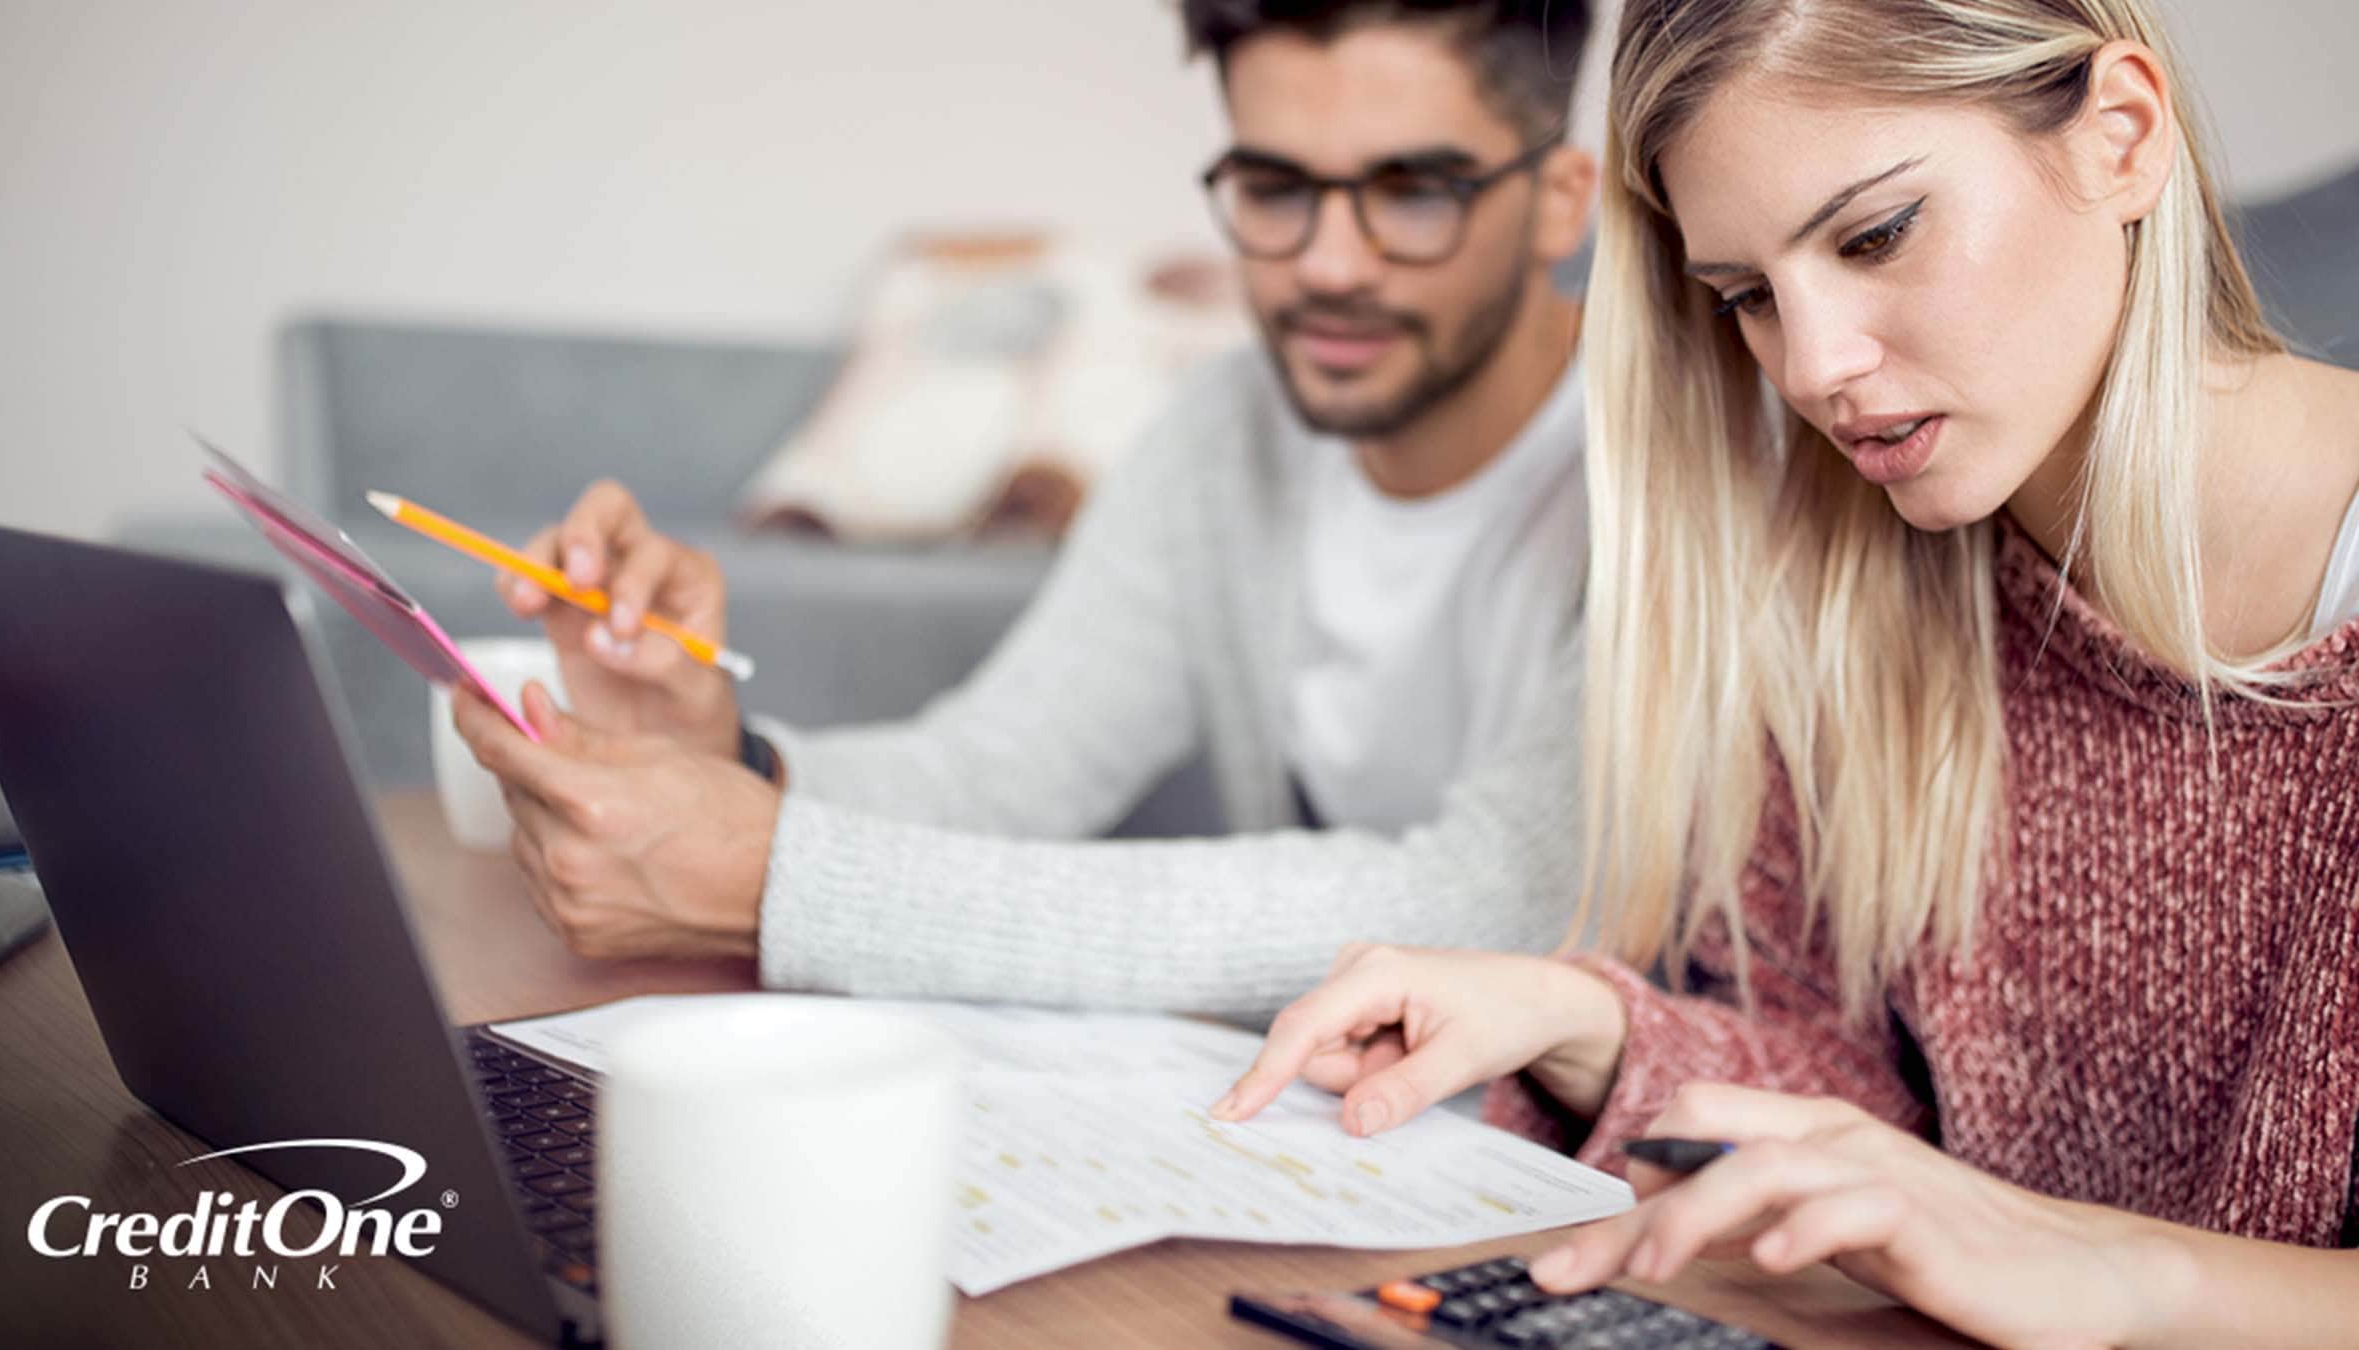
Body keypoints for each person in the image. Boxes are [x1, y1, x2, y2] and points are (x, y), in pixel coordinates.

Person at [1215, 0, 2359, 1342]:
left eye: (1877, 233)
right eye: (1748, 297)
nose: (1816, 369)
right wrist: (1581, 1019)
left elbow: (1992, 1217)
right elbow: (1874, 1120)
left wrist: (2124, 1275)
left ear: (2121, 135)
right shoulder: (1862, 591)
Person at [449, 0, 1603, 1017]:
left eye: (1414, 194)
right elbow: (1002, 774)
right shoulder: (1225, 430)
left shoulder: (1667, 472)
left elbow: (1489, 905)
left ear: (1560, 201)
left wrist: (783, 883)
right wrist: (726, 758)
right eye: (1275, 189)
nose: (1329, 265)